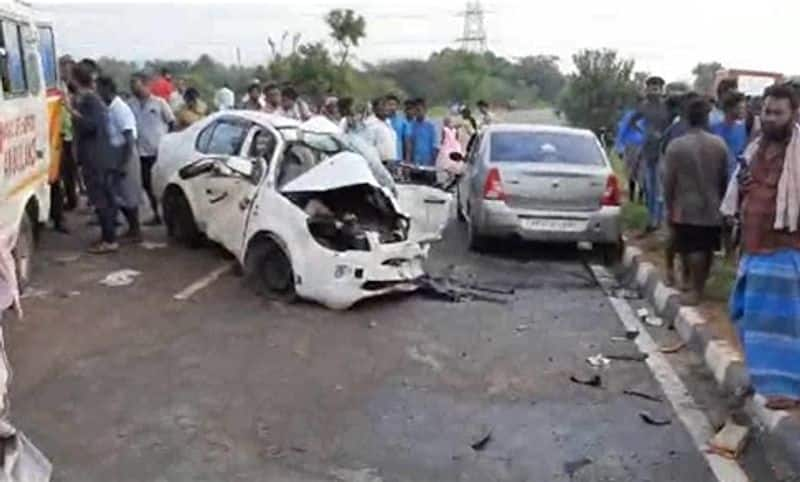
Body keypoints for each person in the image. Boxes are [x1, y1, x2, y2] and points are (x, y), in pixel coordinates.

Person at [724, 84, 800, 410]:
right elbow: (741, 191)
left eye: (777, 112)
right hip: (753, 248)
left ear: (794, 114)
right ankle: (762, 379)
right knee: (744, 314)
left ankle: (787, 389)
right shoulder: (755, 148)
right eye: (766, 111)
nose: (769, 118)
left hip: (786, 250)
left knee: (784, 325)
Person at [68, 63, 118, 253]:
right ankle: (108, 236)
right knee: (103, 198)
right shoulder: (90, 100)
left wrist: (73, 113)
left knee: (101, 199)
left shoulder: (90, 101)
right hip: (97, 156)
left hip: (96, 158)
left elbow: (91, 126)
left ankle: (109, 239)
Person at [97, 76, 142, 244]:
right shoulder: (109, 108)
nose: (97, 93)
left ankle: (135, 230)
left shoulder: (120, 109)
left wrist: (123, 164)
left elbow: (129, 138)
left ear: (107, 90)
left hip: (125, 154)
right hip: (117, 154)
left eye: (99, 89)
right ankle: (132, 229)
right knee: (120, 195)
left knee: (128, 194)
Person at [129, 72, 175, 225]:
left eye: (136, 83)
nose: (133, 87)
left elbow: (171, 122)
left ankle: (168, 216)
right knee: (147, 185)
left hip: (158, 152)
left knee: (162, 184)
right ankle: (156, 214)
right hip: (140, 152)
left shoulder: (159, 103)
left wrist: (168, 142)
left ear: (145, 84)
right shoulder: (131, 104)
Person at [630, 75, 672, 234]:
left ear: (662, 89)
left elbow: (673, 123)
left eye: (657, 87)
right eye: (651, 86)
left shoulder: (667, 106)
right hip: (648, 149)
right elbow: (633, 121)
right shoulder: (643, 106)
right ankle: (651, 219)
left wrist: (663, 134)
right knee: (649, 186)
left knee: (660, 187)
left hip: (663, 149)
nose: (654, 90)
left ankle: (659, 221)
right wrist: (644, 132)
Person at [711, 91, 748, 176]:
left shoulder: (742, 128)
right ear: (729, 108)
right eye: (740, 108)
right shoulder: (714, 129)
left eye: (744, 108)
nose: (743, 111)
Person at [406, 99, 438, 167]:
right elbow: (409, 146)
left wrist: (433, 162)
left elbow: (434, 147)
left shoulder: (431, 126)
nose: (417, 113)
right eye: (416, 110)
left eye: (419, 110)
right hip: (415, 163)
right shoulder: (410, 126)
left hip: (428, 162)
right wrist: (408, 163)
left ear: (425, 110)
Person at [364, 97, 397, 161]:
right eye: (383, 105)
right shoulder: (370, 124)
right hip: (379, 164)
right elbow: (368, 149)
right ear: (375, 109)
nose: (387, 108)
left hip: (392, 163)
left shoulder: (388, 123)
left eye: (387, 105)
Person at [435, 116, 465, 182]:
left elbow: (443, 139)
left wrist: (441, 142)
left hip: (447, 147)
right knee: (453, 163)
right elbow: (457, 138)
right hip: (455, 147)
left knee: (445, 163)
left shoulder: (444, 129)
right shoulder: (454, 130)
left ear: (445, 122)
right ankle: (453, 175)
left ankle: (450, 175)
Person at [385, 94, 408, 160]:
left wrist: (407, 160)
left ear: (397, 106)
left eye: (394, 104)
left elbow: (406, 142)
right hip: (385, 159)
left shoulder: (402, 121)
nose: (392, 107)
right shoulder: (382, 121)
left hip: (398, 158)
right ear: (385, 106)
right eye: (389, 104)